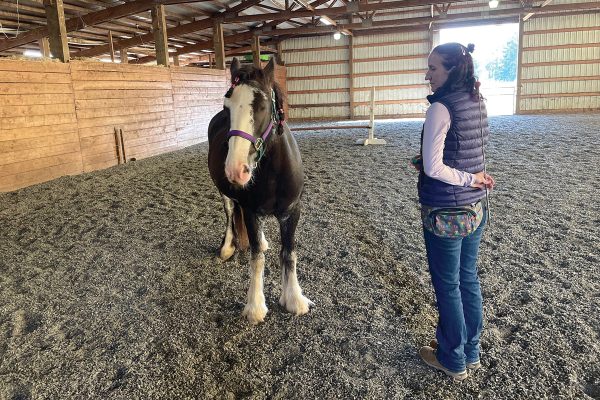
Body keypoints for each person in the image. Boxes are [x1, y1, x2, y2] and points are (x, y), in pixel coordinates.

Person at [412, 42, 496, 382]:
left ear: (451, 70)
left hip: (447, 210)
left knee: (447, 286)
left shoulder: (440, 108)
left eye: (433, 68)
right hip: (475, 206)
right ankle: (469, 350)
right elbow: (464, 150)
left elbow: (435, 168)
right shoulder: (477, 101)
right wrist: (472, 178)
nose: (428, 74)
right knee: (468, 279)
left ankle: (452, 358)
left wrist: (467, 177)